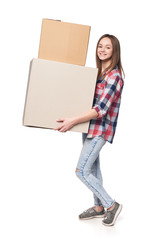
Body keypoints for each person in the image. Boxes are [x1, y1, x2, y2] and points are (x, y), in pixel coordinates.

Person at [54, 34, 125, 226]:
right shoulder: (97, 74)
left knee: (81, 171)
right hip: (88, 127)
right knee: (93, 168)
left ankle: (111, 205)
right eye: (100, 46)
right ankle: (98, 207)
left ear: (115, 51)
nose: (102, 50)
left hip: (100, 129)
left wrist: (72, 121)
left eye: (107, 47)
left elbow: (101, 109)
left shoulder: (114, 76)